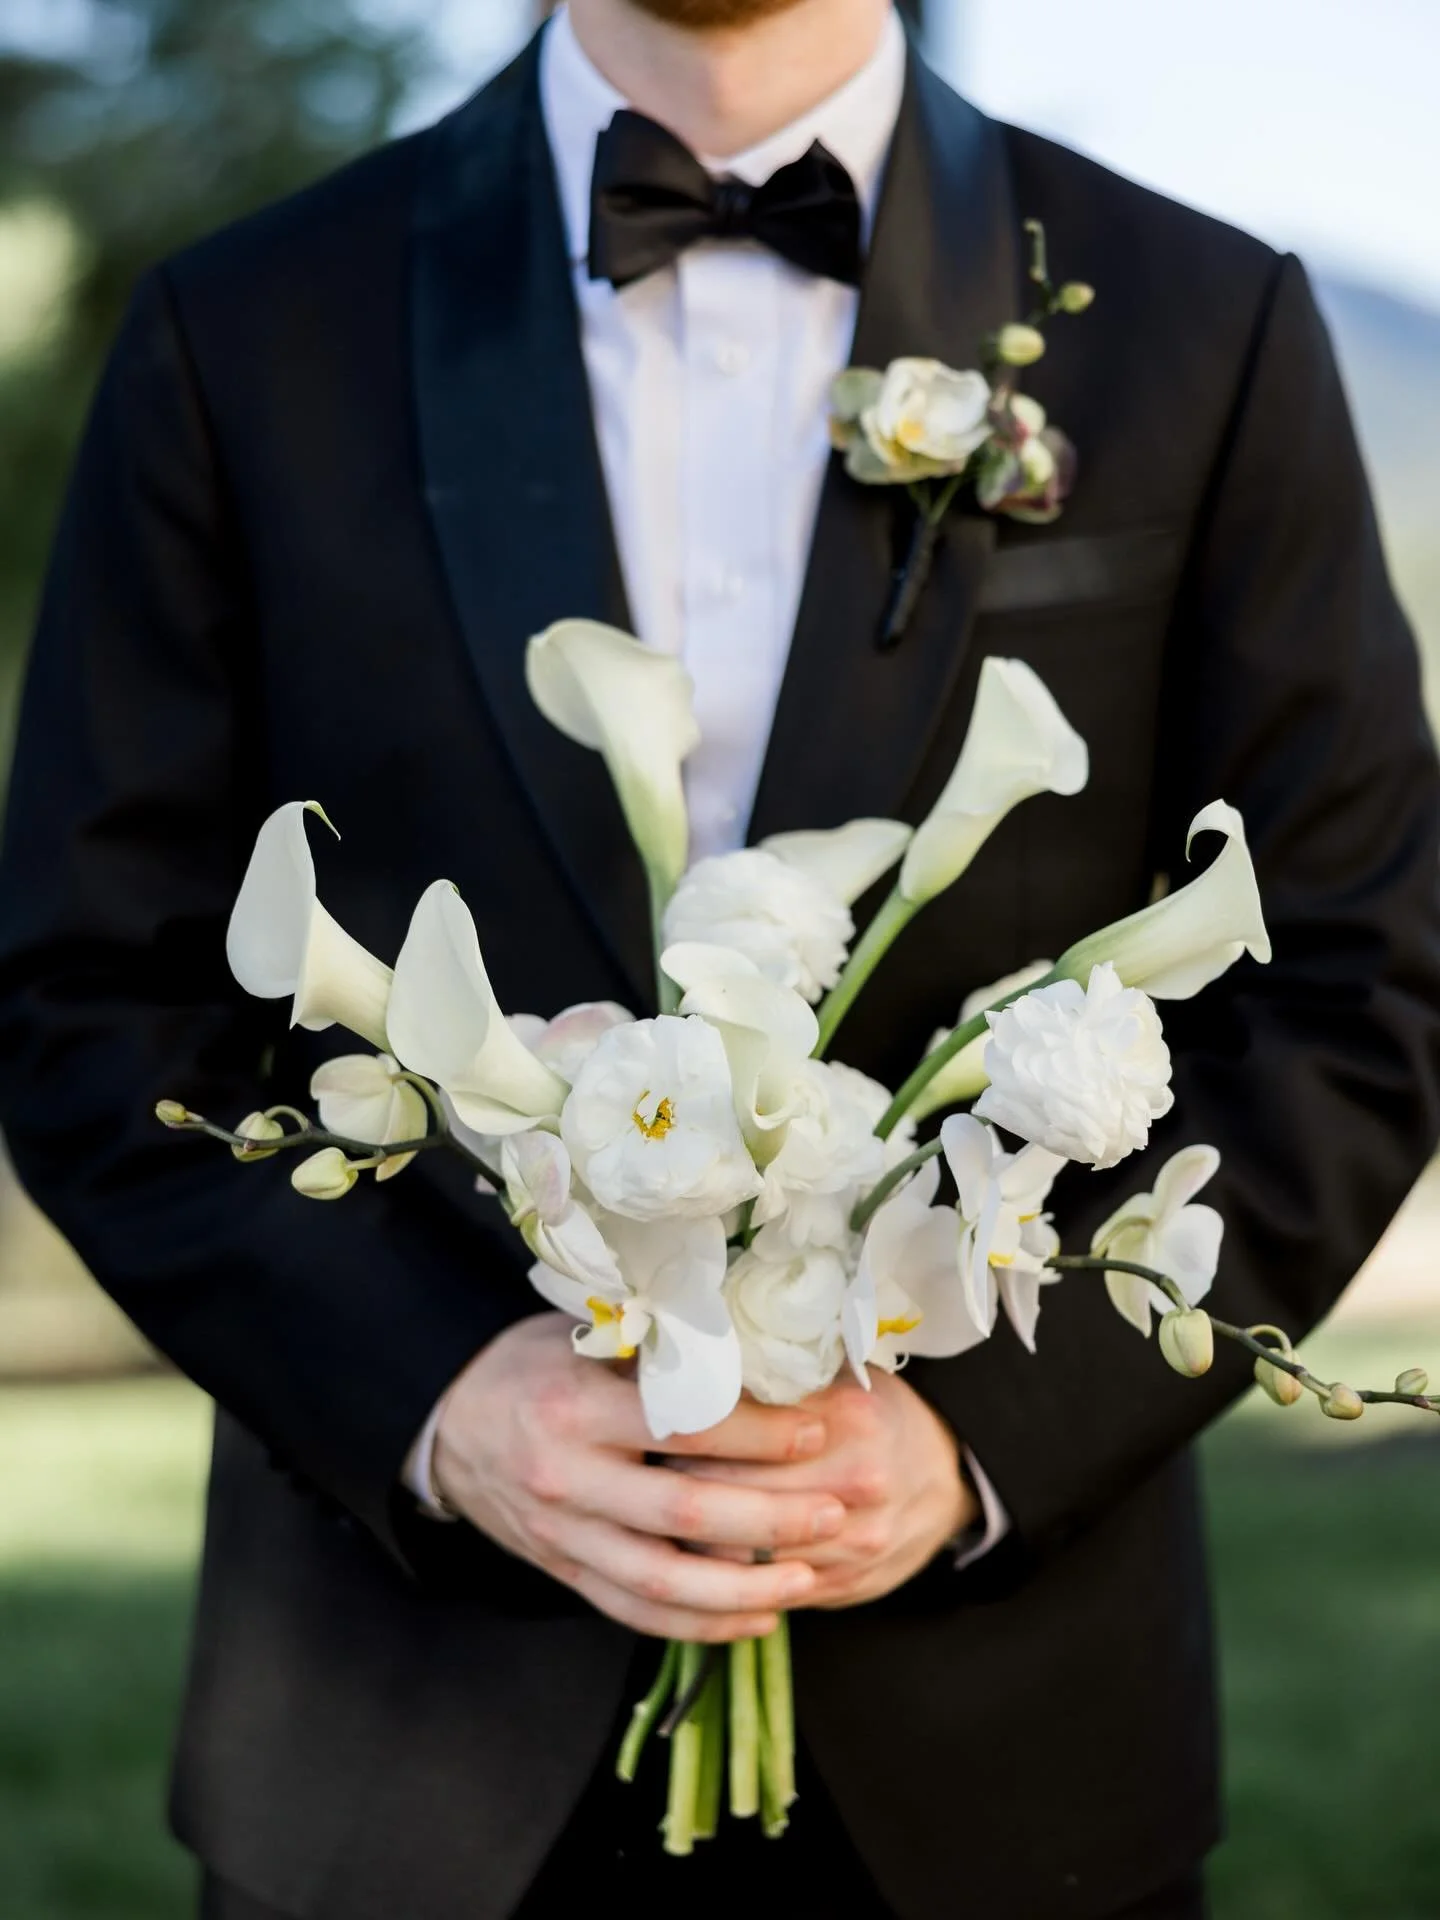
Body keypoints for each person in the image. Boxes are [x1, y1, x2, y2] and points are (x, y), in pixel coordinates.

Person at [2, 1, 1438, 1916]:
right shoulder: (243, 330)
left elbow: (1360, 975)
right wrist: (434, 1402)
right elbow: (91, 994)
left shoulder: (1198, 321)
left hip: (1008, 1758)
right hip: (394, 1754)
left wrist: (976, 1433)